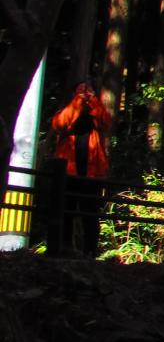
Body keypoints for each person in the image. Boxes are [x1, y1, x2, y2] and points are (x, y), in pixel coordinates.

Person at [49, 83, 110, 255]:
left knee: (90, 214)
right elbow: (60, 124)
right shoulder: (66, 111)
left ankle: (90, 252)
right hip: (67, 172)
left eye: (89, 89)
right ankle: (62, 248)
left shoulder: (96, 116)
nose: (85, 93)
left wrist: (93, 102)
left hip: (92, 174)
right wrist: (77, 101)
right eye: (81, 90)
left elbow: (107, 121)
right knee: (64, 212)